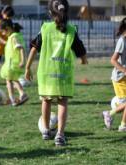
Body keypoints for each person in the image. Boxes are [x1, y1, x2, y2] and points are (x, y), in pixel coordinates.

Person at [25, 0, 88, 146]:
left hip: (46, 72)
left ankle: (46, 131)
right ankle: (60, 134)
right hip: (63, 74)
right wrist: (84, 60)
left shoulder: (45, 28)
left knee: (46, 100)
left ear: (49, 13)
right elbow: (80, 48)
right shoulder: (72, 30)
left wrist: (27, 68)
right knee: (62, 101)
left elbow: (34, 47)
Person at [0, 19, 28, 106]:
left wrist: (23, 60)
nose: (3, 34)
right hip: (12, 64)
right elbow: (12, 46)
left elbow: (21, 48)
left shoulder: (14, 37)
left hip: (12, 64)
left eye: (3, 32)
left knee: (8, 80)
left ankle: (12, 99)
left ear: (8, 28)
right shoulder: (13, 36)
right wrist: (3, 42)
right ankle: (22, 94)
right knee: (13, 80)